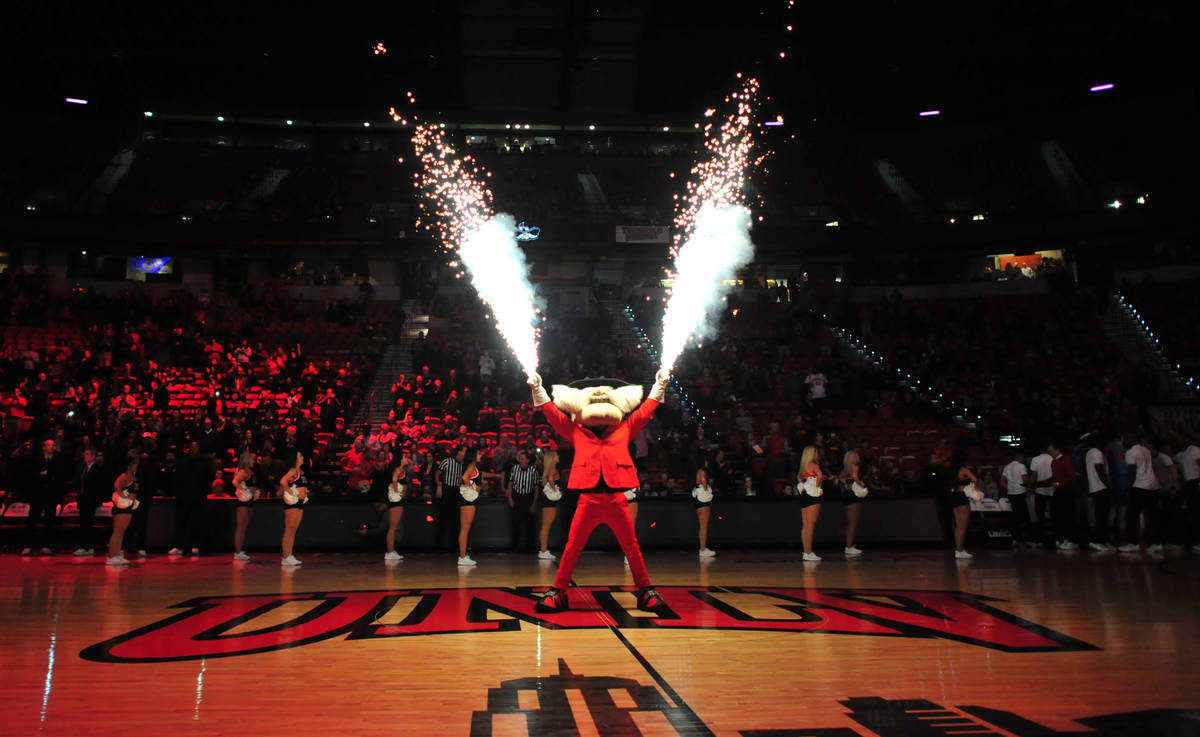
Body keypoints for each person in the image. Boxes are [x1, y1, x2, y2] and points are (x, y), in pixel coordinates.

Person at [528, 371, 670, 613]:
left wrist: (659, 384)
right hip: (589, 499)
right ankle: (559, 592)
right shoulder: (576, 430)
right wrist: (537, 388)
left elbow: (645, 412)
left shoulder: (624, 428)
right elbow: (552, 414)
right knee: (572, 545)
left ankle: (645, 591)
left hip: (616, 498)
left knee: (631, 546)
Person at [456, 448, 502, 566]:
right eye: (478, 453)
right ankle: (462, 557)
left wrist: (496, 475)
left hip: (468, 500)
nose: (480, 455)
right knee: (465, 529)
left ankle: (463, 555)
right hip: (468, 500)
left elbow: (480, 474)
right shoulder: (471, 466)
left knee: (465, 528)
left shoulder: (472, 466)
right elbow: (465, 478)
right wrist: (471, 489)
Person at [23, 438, 66, 555]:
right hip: (37, 493)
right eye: (48, 445)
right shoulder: (36, 458)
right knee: (33, 518)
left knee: (49, 520)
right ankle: (27, 545)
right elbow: (32, 473)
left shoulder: (58, 458)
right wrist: (43, 475)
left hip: (51, 494)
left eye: (52, 445)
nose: (50, 447)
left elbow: (60, 473)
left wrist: (48, 474)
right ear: (43, 447)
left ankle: (47, 545)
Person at [1120, 436, 1163, 553]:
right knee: (1153, 515)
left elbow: (1131, 471)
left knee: (1132, 516)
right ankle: (1156, 543)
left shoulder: (1130, 452)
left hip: (1139, 486)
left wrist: (1127, 488)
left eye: (1125, 438)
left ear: (1131, 440)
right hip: (1153, 485)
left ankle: (1133, 543)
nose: (1123, 441)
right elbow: (1154, 456)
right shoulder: (1146, 450)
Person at [73, 448, 107, 557]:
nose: (85, 456)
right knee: (83, 523)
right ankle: (84, 546)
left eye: (87, 454)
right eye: (85, 454)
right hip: (83, 500)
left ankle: (88, 546)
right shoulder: (82, 468)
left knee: (89, 523)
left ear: (93, 456)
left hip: (91, 500)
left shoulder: (98, 468)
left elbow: (98, 485)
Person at [505, 448, 541, 553]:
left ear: (527, 460)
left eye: (523, 459)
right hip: (517, 497)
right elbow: (510, 483)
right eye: (520, 458)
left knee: (530, 525)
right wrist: (510, 498)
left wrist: (534, 503)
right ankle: (514, 547)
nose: (521, 460)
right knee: (515, 524)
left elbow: (537, 488)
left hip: (528, 498)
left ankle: (529, 548)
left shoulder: (533, 471)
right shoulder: (514, 468)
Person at [107, 455, 140, 566]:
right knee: (117, 532)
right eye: (135, 464)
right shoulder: (124, 476)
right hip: (122, 508)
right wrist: (123, 497)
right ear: (130, 466)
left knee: (121, 533)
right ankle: (111, 557)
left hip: (128, 508)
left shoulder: (132, 477)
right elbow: (116, 485)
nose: (137, 466)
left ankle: (116, 555)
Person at [279, 449, 309, 566]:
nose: (302, 457)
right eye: (300, 456)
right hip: (293, 502)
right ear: (295, 458)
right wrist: (290, 491)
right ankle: (285, 557)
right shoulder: (293, 471)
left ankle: (289, 555)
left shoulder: (300, 471)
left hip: (300, 502)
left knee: (293, 531)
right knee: (289, 530)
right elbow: (283, 481)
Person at [1084, 437, 1114, 551]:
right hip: (1101, 488)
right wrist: (1108, 485)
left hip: (1095, 488)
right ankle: (1098, 541)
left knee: (1100, 516)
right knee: (1103, 516)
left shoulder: (1089, 453)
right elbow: (1099, 468)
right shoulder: (1097, 453)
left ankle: (1101, 540)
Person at [434, 446, 467, 553]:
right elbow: (437, 474)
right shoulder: (447, 461)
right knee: (442, 520)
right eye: (464, 452)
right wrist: (439, 486)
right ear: (459, 452)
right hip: (446, 490)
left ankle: (454, 547)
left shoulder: (463, 464)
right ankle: (439, 547)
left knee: (456, 521)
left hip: (457, 492)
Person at [1048, 441, 1078, 551]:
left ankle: (1069, 539)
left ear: (1057, 450)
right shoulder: (1053, 462)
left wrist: (1059, 483)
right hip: (1058, 491)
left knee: (1067, 515)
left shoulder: (1065, 460)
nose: (1050, 452)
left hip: (1066, 491)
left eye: (1051, 450)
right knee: (1057, 515)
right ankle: (1061, 538)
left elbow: (1071, 477)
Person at [1000, 450, 1033, 548]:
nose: (1024, 460)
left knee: (1014, 517)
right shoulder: (1021, 466)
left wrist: (1008, 488)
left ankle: (1015, 538)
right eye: (1023, 458)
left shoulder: (1007, 466)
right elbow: (1025, 480)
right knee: (1026, 516)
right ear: (1020, 457)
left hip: (1011, 494)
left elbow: (1002, 480)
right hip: (1021, 492)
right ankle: (1028, 539)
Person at [230, 451, 259, 561]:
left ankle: (240, 550)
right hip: (243, 501)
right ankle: (237, 552)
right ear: (247, 460)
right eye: (252, 459)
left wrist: (255, 491)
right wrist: (244, 490)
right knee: (241, 527)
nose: (254, 461)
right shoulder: (243, 471)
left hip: (249, 501)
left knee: (244, 527)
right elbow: (235, 481)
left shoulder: (250, 471)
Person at [796, 445, 824, 561]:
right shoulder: (814, 465)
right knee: (811, 525)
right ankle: (809, 552)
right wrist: (817, 485)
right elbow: (820, 476)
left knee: (805, 525)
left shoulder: (803, 466)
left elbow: (799, 478)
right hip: (813, 496)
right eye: (816, 452)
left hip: (804, 496)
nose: (817, 453)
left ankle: (806, 552)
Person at [948, 450, 977, 559]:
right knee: (963, 526)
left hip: (954, 496)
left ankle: (958, 550)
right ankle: (960, 550)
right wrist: (974, 490)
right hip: (962, 496)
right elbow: (975, 479)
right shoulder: (963, 469)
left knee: (958, 525)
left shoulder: (951, 470)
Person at [384, 453, 412, 561]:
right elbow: (394, 480)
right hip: (396, 500)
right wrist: (396, 491)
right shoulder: (399, 469)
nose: (407, 459)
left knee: (393, 527)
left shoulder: (401, 470)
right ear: (400, 459)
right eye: (405, 457)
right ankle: (390, 552)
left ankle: (391, 551)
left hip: (397, 499)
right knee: (393, 528)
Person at [840, 448, 866, 557]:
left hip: (846, 496)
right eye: (857, 455)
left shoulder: (845, 469)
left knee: (850, 522)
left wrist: (847, 485)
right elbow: (855, 478)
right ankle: (849, 547)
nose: (859, 457)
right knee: (853, 523)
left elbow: (841, 480)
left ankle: (849, 545)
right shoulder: (855, 467)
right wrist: (862, 484)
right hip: (853, 496)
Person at [537, 449, 561, 560]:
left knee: (546, 525)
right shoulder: (553, 468)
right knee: (546, 526)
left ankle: (544, 550)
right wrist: (555, 491)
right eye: (556, 455)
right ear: (552, 458)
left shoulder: (549, 468)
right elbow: (551, 479)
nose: (558, 457)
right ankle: (543, 551)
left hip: (546, 499)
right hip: (549, 500)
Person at [694, 456, 716, 557]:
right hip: (702, 499)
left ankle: (703, 548)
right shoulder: (701, 470)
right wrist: (707, 489)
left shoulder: (699, 471)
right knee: (703, 526)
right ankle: (702, 549)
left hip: (700, 500)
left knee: (703, 526)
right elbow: (703, 479)